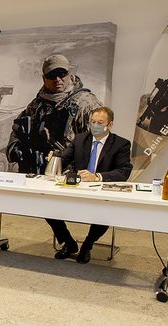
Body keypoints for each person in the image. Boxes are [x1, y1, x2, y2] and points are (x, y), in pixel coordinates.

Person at [47, 107, 133, 264]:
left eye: (100, 122)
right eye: (93, 122)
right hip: (78, 189)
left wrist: (98, 177)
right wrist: (55, 158)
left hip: (103, 194)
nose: (95, 125)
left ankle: (87, 245)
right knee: (48, 208)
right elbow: (64, 158)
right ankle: (69, 243)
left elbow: (123, 172)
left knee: (105, 214)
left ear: (110, 125)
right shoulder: (80, 139)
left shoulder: (121, 144)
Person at [7, 54, 102, 174]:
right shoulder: (36, 105)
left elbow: (99, 141)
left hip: (71, 172)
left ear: (69, 74)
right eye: (52, 75)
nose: (57, 79)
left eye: (61, 74)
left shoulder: (86, 103)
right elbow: (17, 129)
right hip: (39, 171)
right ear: (44, 78)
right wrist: (16, 148)